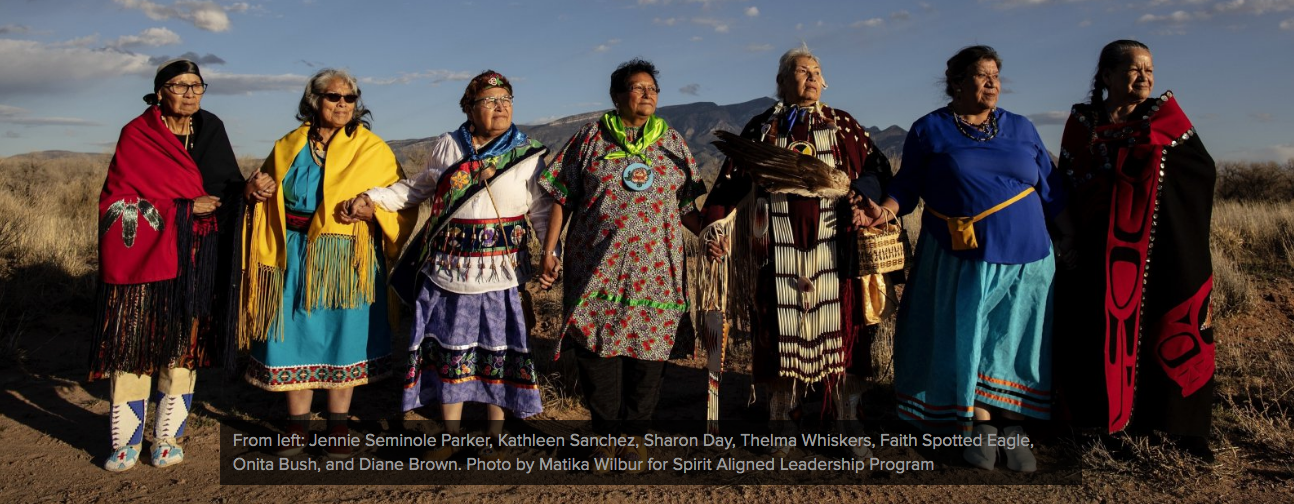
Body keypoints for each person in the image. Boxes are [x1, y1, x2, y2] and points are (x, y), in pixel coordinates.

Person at [861, 45, 1069, 472]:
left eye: (996, 75)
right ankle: (980, 427)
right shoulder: (930, 130)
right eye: (981, 74)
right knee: (971, 338)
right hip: (961, 257)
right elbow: (907, 185)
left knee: (1016, 341)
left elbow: (1051, 190)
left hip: (1030, 260)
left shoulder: (1021, 127)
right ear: (956, 82)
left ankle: (1013, 427)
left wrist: (1074, 239)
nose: (992, 82)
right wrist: (884, 210)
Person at [341, 71, 552, 460]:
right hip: (449, 271)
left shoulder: (528, 154)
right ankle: (449, 433)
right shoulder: (449, 146)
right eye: (489, 100)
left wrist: (551, 253)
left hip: (502, 273)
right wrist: (373, 198)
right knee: (450, 352)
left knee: (499, 352)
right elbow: (416, 189)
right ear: (469, 109)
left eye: (506, 99)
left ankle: (495, 434)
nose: (500, 106)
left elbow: (541, 209)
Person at [700, 45, 895, 459]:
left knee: (844, 335)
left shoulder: (844, 126)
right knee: (778, 336)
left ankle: (847, 423)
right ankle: (782, 424)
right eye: (802, 71)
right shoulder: (764, 128)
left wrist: (862, 195)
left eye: (817, 71)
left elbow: (877, 169)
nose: (811, 77)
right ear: (782, 81)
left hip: (836, 251)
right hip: (776, 253)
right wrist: (715, 227)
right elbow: (730, 183)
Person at [536, 58, 706, 471]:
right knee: (597, 353)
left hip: (657, 273)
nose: (647, 94)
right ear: (616, 95)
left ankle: (635, 438)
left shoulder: (673, 143)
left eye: (653, 88)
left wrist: (711, 234)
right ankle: (604, 438)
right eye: (637, 87)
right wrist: (549, 249)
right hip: (597, 268)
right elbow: (561, 196)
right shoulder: (590, 138)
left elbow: (686, 207)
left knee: (648, 356)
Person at [1053, 40, 1217, 460]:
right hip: (1095, 251)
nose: (1144, 77)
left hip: (1161, 250)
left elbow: (1201, 170)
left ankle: (1177, 428)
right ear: (1107, 76)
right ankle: (1097, 424)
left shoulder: (1166, 119)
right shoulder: (1083, 124)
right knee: (1095, 333)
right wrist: (1068, 236)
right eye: (1134, 69)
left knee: (1167, 328)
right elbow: (1066, 181)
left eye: (1149, 69)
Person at [240, 68, 413, 459]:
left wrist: (373, 211)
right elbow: (262, 191)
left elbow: (403, 199)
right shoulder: (288, 146)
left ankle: (338, 426)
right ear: (314, 101)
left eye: (350, 98)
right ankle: (297, 427)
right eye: (334, 97)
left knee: (343, 336)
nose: (343, 104)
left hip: (348, 257)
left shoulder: (372, 149)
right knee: (291, 333)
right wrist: (253, 192)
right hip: (292, 253)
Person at [92, 59, 245, 471]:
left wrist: (250, 191)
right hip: (143, 260)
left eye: (197, 85)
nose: (191, 93)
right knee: (133, 344)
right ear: (160, 92)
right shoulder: (138, 134)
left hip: (194, 256)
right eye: (180, 86)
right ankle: (126, 441)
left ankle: (167, 437)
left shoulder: (210, 128)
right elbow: (117, 201)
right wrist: (183, 208)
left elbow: (227, 188)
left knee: (182, 345)